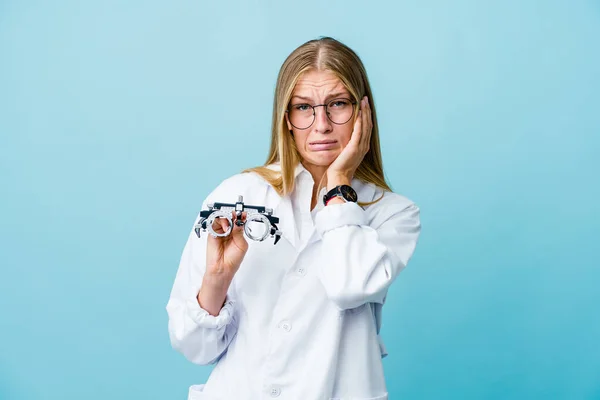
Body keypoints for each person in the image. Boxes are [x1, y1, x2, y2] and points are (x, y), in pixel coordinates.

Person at [166, 36, 422, 400]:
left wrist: (338, 184)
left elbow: (347, 287)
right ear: (286, 118)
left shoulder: (393, 213)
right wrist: (217, 281)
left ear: (363, 112)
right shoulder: (235, 197)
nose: (322, 124)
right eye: (304, 107)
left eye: (338, 104)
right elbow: (194, 347)